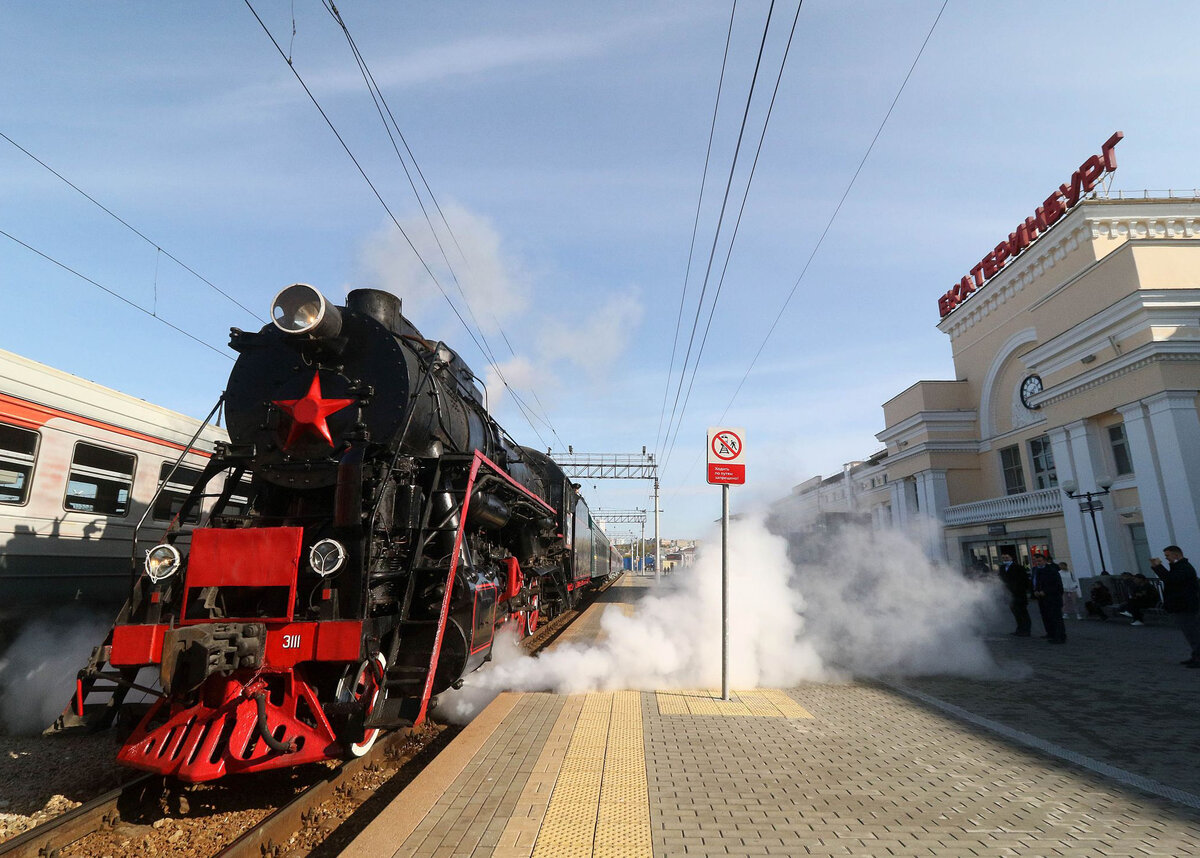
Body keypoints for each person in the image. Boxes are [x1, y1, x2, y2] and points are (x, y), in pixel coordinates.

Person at [1150, 546, 1200, 667]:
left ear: (1176, 555)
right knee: (1190, 632)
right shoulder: (1180, 567)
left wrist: (1158, 567)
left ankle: (1198, 657)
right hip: (1182, 605)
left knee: (1192, 632)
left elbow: (1171, 580)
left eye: (1168, 555)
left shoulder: (1184, 567)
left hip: (1186, 606)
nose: (1166, 558)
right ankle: (1196, 655)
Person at [1032, 554, 1066, 643]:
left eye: (1039, 561)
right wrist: (1036, 590)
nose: (1038, 563)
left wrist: (1046, 591)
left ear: (1044, 560)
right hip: (1042, 599)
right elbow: (1036, 582)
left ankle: (1059, 636)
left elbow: (1057, 585)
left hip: (1053, 598)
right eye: (1036, 561)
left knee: (1056, 618)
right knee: (1046, 617)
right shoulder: (1037, 570)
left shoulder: (1052, 570)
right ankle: (1051, 633)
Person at [997, 552, 1031, 636]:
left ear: (1011, 558)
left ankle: (1026, 630)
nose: (1005, 559)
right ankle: (1019, 629)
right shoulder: (1002, 568)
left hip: (1019, 594)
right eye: (1004, 558)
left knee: (1023, 613)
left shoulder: (1019, 567)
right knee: (1016, 613)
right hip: (1009, 595)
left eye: (1007, 557)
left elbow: (1024, 580)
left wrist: (1020, 590)